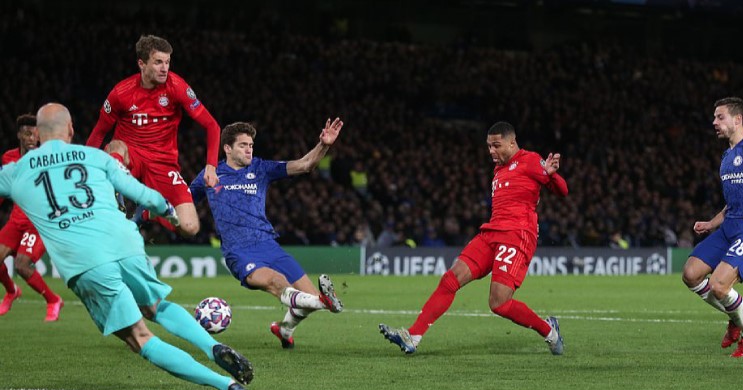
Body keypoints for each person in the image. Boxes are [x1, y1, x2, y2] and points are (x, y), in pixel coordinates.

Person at [0, 103, 253, 390]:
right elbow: (143, 195)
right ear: (70, 130)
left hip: (86, 262)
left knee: (140, 338)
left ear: (39, 135)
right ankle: (212, 346)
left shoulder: (16, 171)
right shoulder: (95, 157)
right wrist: (169, 213)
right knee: (156, 305)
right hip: (125, 242)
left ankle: (226, 385)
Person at [379, 121, 569, 355]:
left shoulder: (530, 160)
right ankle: (413, 336)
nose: (491, 151)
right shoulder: (498, 169)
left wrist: (552, 175)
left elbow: (562, 191)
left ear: (512, 142)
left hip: (517, 235)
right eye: (489, 146)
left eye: (496, 145)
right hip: (491, 233)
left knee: (498, 303)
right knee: (451, 279)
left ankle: (549, 331)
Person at [190, 119, 344, 349]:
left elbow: (305, 165)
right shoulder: (211, 174)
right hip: (239, 251)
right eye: (243, 145)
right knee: (276, 281)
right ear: (227, 148)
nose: (249, 149)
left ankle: (285, 329)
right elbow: (184, 200)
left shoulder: (260, 169)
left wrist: (324, 145)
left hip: (269, 245)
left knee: (308, 298)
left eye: (251, 145)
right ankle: (324, 302)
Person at [86, 34, 221, 237]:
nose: (164, 68)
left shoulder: (177, 87)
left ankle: (149, 211)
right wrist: (85, 168)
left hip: (163, 164)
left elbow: (212, 125)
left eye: (167, 62)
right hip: (131, 158)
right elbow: (99, 133)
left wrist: (211, 165)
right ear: (142, 63)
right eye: (158, 62)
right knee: (115, 146)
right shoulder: (121, 93)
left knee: (190, 227)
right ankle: (119, 195)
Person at [681, 97, 743, 358]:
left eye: (720, 117)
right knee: (691, 274)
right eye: (714, 117)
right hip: (728, 228)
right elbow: (733, 202)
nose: (714, 122)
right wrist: (711, 223)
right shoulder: (726, 156)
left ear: (738, 119)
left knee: (719, 285)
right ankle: (739, 316)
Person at [0, 114, 63, 321]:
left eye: (35, 134)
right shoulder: (8, 157)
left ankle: (53, 300)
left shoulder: (46, 158)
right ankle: (12, 292)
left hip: (37, 223)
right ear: (19, 135)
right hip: (16, 220)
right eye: (27, 134)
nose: (31, 138)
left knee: (22, 265)